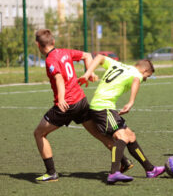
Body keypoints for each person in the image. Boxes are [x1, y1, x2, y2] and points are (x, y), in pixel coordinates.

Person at [34, 29, 133, 182]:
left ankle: (51, 172)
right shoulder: (64, 52)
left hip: (67, 105)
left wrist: (61, 99)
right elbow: (87, 55)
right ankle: (124, 161)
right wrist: (89, 72)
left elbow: (59, 79)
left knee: (39, 133)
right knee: (99, 134)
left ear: (37, 45)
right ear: (53, 42)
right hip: (81, 101)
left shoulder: (50, 60)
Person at [78, 54, 165, 184]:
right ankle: (114, 173)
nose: (145, 79)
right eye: (147, 76)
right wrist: (131, 102)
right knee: (122, 137)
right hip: (103, 108)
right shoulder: (136, 73)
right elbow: (136, 80)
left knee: (130, 135)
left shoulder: (117, 64)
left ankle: (150, 169)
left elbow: (100, 57)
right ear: (145, 70)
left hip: (103, 106)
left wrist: (88, 73)